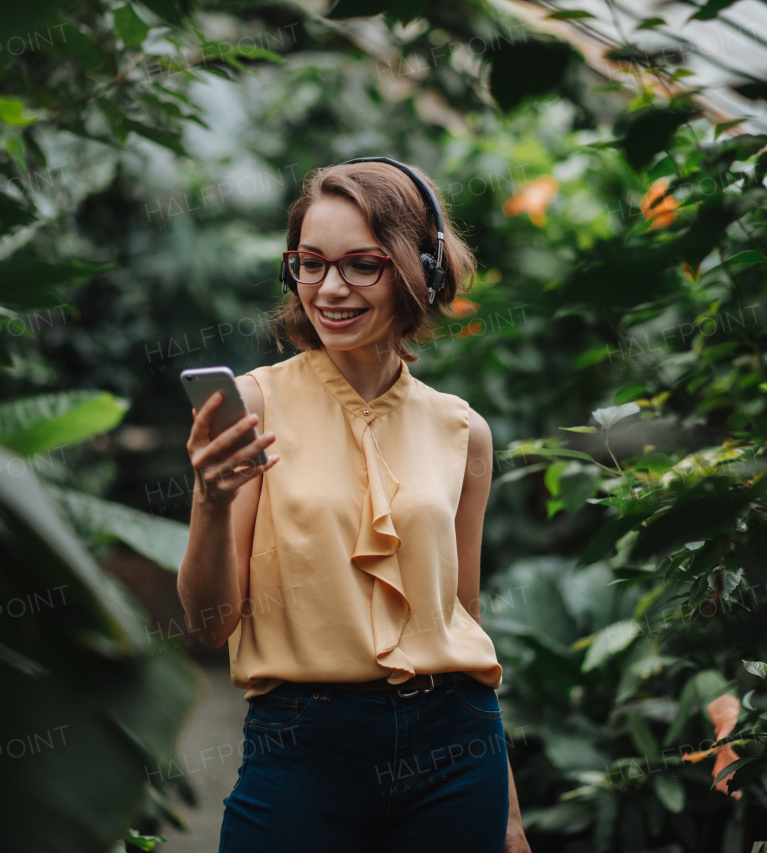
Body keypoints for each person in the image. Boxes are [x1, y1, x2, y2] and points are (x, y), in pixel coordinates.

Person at [177, 158, 531, 853]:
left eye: (361, 264)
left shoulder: (464, 430)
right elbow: (209, 624)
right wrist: (213, 504)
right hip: (303, 749)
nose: (330, 288)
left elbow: (463, 621)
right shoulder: (253, 404)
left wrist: (510, 813)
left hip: (458, 752)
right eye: (309, 263)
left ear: (418, 270)